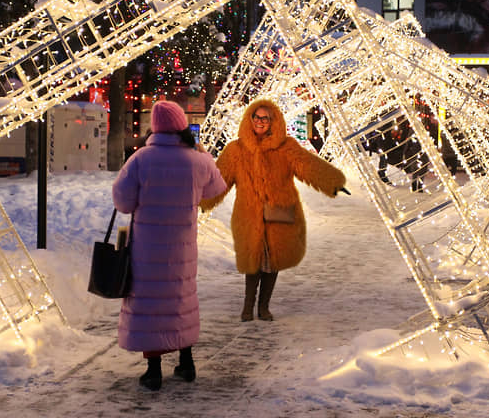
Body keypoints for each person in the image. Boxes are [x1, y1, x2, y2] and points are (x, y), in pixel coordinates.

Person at [112, 100, 227, 391]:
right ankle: (186, 363)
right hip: (182, 247)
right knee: (180, 301)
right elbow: (216, 188)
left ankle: (153, 371)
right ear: (181, 125)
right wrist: (203, 158)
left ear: (155, 126)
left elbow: (122, 202)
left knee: (150, 304)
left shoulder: (140, 160)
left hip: (146, 250)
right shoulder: (196, 159)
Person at [200, 99, 347, 322]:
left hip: (279, 213)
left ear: (273, 121)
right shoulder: (236, 149)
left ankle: (264, 307)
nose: (260, 122)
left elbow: (308, 165)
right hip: (249, 215)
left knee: (273, 261)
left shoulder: (286, 147)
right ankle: (248, 307)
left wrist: (332, 181)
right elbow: (219, 180)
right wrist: (200, 199)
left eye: (265, 118)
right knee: (253, 260)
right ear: (250, 119)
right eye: (256, 117)